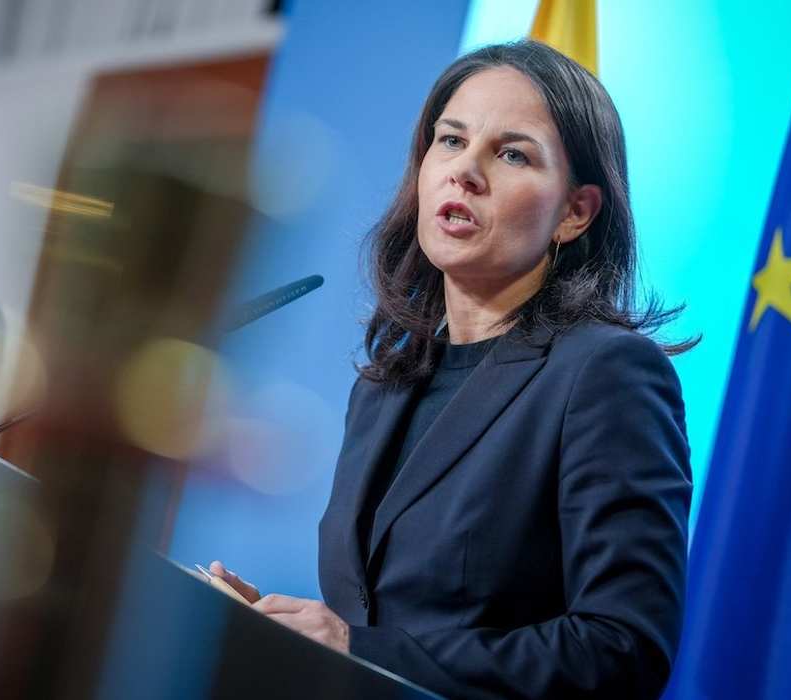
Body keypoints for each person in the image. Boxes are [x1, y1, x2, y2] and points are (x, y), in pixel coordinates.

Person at [211, 40, 694, 699]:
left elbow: (621, 648)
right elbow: (381, 619)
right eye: (450, 141)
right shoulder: (384, 385)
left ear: (574, 212)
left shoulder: (604, 373)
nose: (464, 171)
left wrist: (359, 649)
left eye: (511, 153)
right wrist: (278, 630)